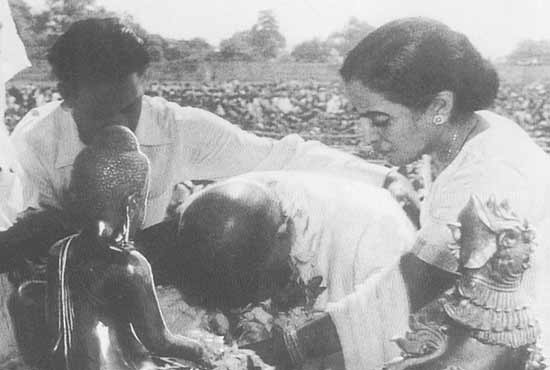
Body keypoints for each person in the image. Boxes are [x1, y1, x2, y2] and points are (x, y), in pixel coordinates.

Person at [339, 17, 550, 370]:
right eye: (360, 118)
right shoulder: (462, 137)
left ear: (439, 107)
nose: (366, 136)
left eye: (380, 121)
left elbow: (404, 291)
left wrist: (287, 347)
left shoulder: (488, 171)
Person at [10, 17, 415, 231]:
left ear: (145, 85)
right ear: (66, 95)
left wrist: (382, 178)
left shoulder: (177, 129)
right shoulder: (33, 144)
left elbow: (280, 156)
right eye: (102, 113)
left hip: (147, 268)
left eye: (130, 107)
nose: (121, 126)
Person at [46, 125, 284, 370]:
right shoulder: (129, 264)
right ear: (133, 205)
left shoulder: (60, 251)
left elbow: (64, 331)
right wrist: (204, 351)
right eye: (144, 202)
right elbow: (159, 341)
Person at [170, 170, 416, 370]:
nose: (250, 297)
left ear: (283, 234)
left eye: (256, 282)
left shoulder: (376, 239)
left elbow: (381, 351)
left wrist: (273, 354)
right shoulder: (226, 205)